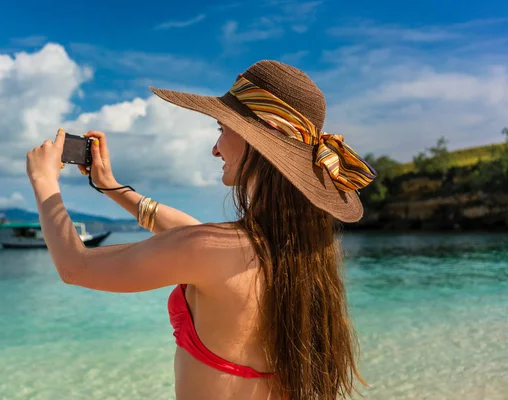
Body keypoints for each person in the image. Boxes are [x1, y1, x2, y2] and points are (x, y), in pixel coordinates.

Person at [26, 60, 376, 400]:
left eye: (221, 130)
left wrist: (44, 182)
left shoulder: (210, 250)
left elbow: (75, 266)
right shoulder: (298, 251)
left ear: (258, 142)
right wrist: (111, 187)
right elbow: (196, 237)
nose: (215, 148)